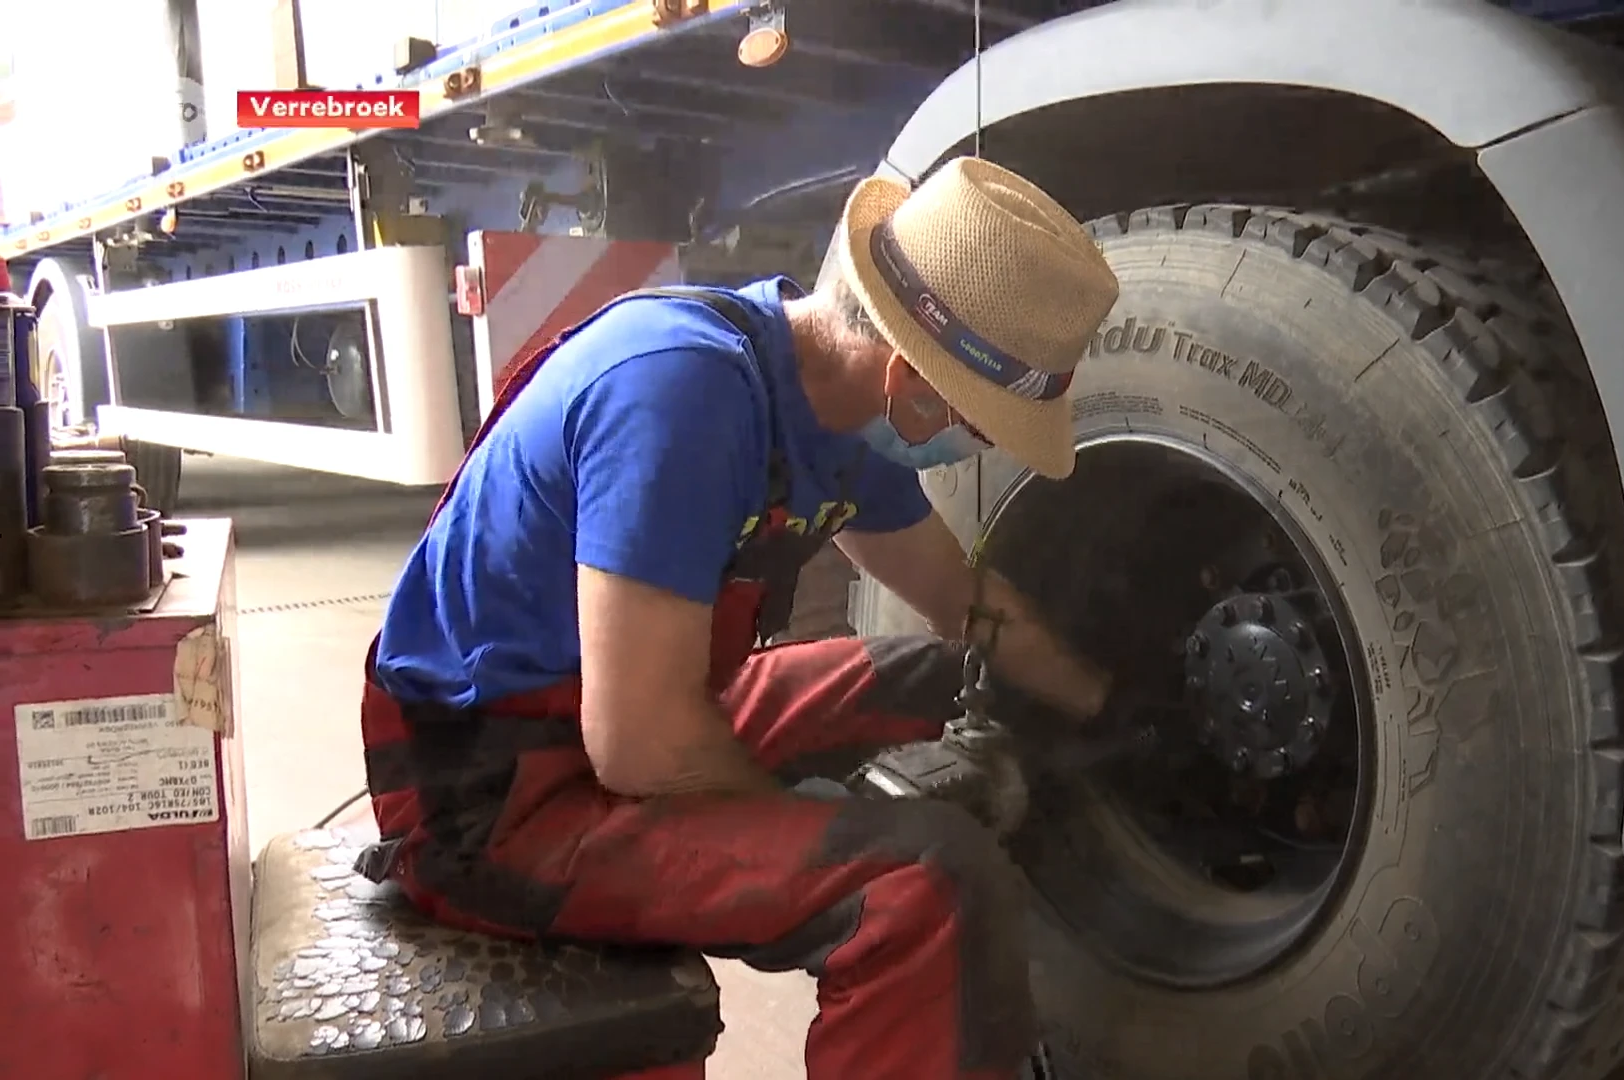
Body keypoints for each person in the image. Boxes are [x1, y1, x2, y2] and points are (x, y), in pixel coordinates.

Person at [354, 156, 1127, 1080]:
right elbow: (639, 745)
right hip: (495, 795)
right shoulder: (679, 396)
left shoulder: (840, 423)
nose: (987, 443)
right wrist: (804, 822)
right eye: (987, 421)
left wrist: (1113, 710)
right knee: (923, 883)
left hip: (637, 703)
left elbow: (966, 609)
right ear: (911, 386)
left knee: (925, 681)